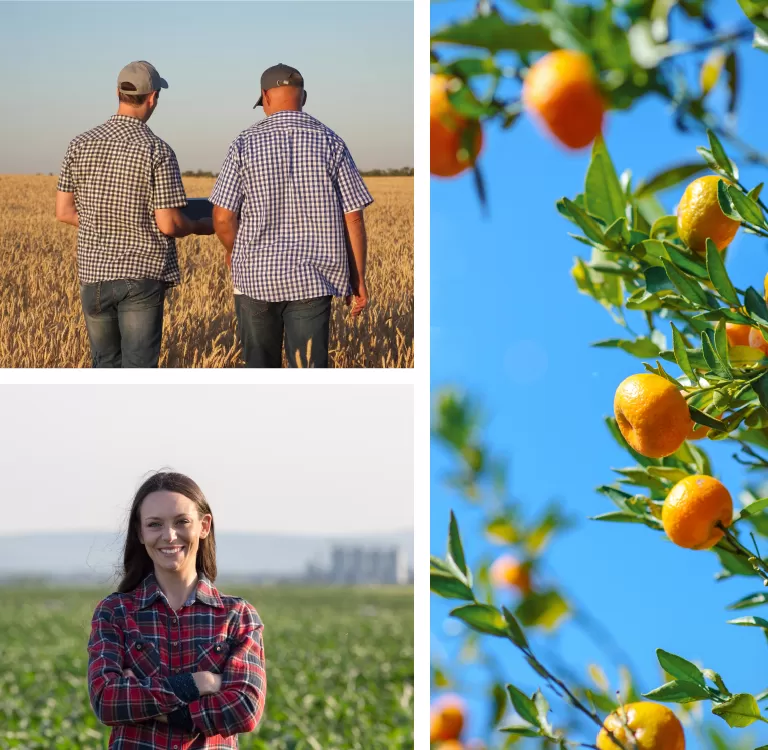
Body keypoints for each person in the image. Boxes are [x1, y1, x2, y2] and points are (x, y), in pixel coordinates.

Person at [210, 64, 373, 368]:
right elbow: (353, 217)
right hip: (313, 282)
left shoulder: (243, 144)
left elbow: (221, 218)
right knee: (308, 375)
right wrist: (358, 279)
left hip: (254, 280)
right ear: (304, 97)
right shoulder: (332, 142)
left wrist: (235, 251)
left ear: (265, 97)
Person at [87, 472, 266, 748]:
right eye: (155, 524)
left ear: (204, 526)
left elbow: (245, 708)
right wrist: (199, 683)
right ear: (140, 532)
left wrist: (148, 704)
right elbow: (106, 701)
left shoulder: (237, 616)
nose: (169, 536)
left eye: (182, 522)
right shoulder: (115, 612)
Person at [55, 61, 214, 368]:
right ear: (153, 98)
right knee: (138, 372)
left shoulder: (79, 144)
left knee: (104, 367)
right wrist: (198, 225)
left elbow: (64, 212)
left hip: (93, 274)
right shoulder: (157, 150)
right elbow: (168, 223)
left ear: (118, 93)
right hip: (141, 275)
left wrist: (104, 222)